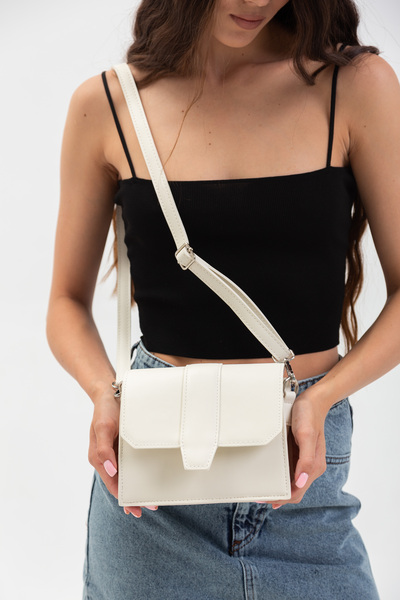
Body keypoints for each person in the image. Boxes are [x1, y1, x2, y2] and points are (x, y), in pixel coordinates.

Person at [46, 1, 400, 598]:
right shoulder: (108, 105)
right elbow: (65, 303)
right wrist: (106, 394)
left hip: (304, 485)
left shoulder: (356, 87)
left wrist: (321, 399)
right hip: (153, 507)